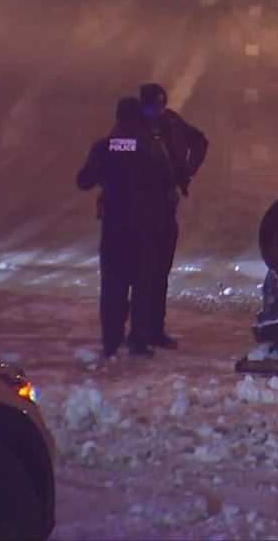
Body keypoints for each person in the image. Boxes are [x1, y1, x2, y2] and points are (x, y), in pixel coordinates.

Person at [76, 96, 179, 359]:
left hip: (113, 227)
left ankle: (110, 342)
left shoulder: (104, 147)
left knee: (112, 286)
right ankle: (138, 342)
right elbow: (169, 178)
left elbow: (83, 180)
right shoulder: (150, 146)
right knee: (142, 285)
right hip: (144, 228)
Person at [138, 82, 209, 350]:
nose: (157, 111)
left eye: (160, 105)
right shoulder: (134, 129)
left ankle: (154, 329)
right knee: (143, 273)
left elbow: (200, 141)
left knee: (159, 272)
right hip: (141, 212)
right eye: (152, 106)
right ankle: (140, 331)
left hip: (164, 208)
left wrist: (185, 175)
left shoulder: (171, 122)